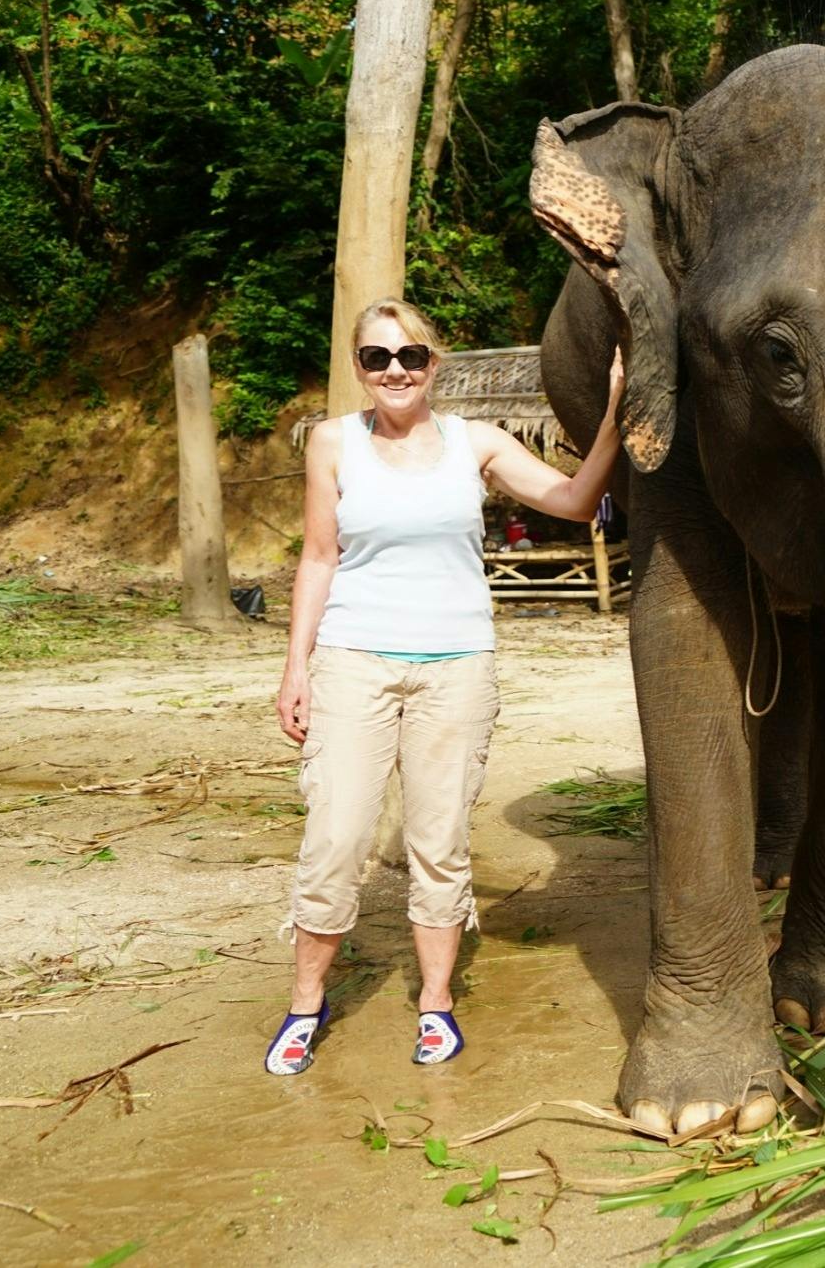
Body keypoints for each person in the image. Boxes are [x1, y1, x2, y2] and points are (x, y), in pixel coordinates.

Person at [266, 298, 624, 1076]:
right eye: (376, 358)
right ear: (359, 368)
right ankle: (304, 1005)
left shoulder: (478, 441)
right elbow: (319, 558)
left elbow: (569, 500)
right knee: (335, 836)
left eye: (410, 356)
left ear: (435, 363)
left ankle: (435, 1002)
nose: (394, 370)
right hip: (353, 660)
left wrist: (613, 419)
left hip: (456, 666)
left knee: (439, 841)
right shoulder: (333, 443)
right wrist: (296, 666)